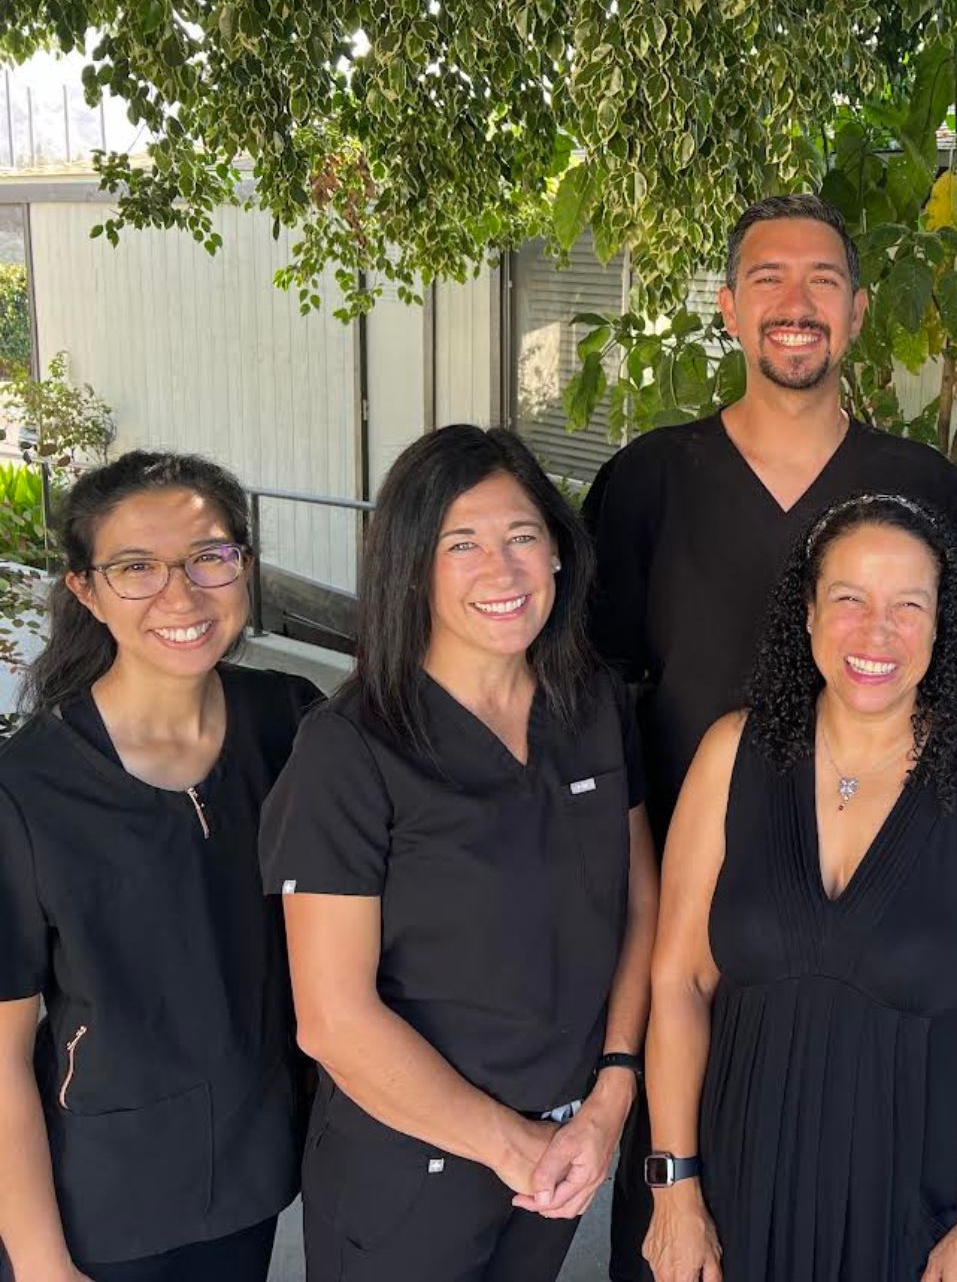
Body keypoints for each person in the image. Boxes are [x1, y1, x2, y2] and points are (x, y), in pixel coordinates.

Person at [583, 191, 957, 1277]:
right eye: (766, 277)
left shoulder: (919, 487)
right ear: (728, 308)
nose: (795, 302)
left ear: (857, 311)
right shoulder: (648, 482)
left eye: (822, 279)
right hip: (698, 927)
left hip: (880, 943)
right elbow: (596, 699)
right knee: (682, 1229)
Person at [259, 426, 658, 1282]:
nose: (501, 571)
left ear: (559, 552)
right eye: (461, 544)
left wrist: (613, 1091)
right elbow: (333, 1018)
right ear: (412, 566)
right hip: (407, 1168)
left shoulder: (592, 703)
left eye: (522, 536)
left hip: (562, 1146)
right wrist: (512, 1147)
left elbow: (639, 900)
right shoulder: (350, 748)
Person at [641, 494, 957, 1282]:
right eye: (849, 599)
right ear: (806, 612)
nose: (877, 632)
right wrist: (675, 1192)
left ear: (940, 626)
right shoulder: (730, 755)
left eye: (908, 605)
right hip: (735, 1192)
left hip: (913, 1211)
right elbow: (678, 983)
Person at [0, 451, 321, 1281]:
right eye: (136, 568)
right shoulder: (25, 790)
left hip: (252, 1169)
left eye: (209, 556)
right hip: (103, 1203)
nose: (181, 596)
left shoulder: (290, 724)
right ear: (85, 590)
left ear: (244, 565)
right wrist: (41, 1263)